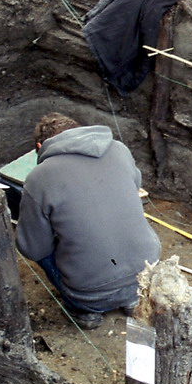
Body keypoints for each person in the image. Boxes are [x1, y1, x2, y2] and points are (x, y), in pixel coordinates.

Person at [15, 112, 161, 329]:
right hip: (147, 273)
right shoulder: (119, 149)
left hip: (89, 294)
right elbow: (134, 183)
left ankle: (84, 311)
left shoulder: (39, 177)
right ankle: (131, 301)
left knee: (44, 248)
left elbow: (33, 249)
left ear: (39, 146)